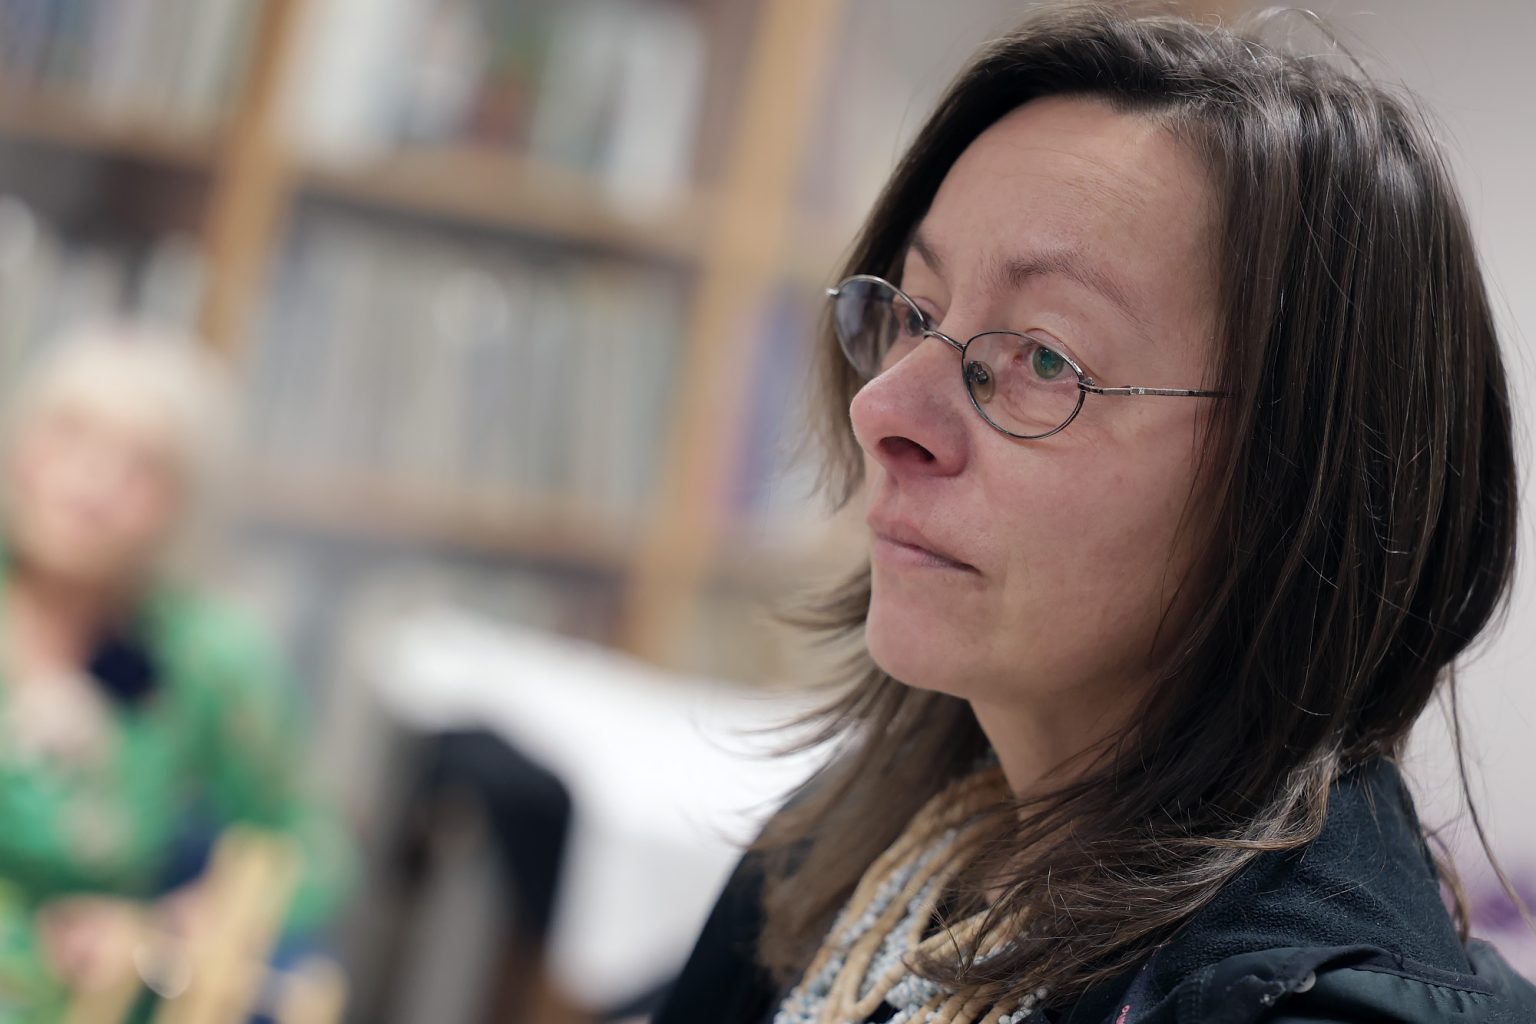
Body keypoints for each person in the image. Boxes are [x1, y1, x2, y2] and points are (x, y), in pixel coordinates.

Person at [654, 5, 1536, 1023]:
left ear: (1303, 484)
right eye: (916, 313)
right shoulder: (848, 843)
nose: (882, 410)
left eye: (1044, 357)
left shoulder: (1305, 1005)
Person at [0, 323, 352, 1021]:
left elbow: (313, 847)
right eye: (69, 437)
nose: (91, 482)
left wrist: (172, 928)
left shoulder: (205, 658)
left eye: (140, 467)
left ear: (183, 503)